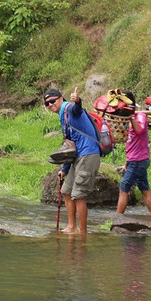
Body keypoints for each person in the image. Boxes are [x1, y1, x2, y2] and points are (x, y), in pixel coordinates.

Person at [45, 85, 100, 236]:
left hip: (88, 154)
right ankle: (71, 226)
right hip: (78, 156)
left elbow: (77, 109)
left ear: (61, 99)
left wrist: (78, 101)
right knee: (66, 191)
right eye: (47, 103)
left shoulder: (68, 108)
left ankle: (82, 232)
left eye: (53, 101)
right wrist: (64, 168)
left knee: (79, 194)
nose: (50, 105)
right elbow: (70, 145)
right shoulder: (63, 116)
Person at [115, 91, 151, 215]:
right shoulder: (126, 120)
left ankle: (118, 217)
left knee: (123, 187)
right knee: (144, 189)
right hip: (134, 160)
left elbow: (139, 130)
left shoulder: (140, 117)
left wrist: (131, 117)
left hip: (138, 161)